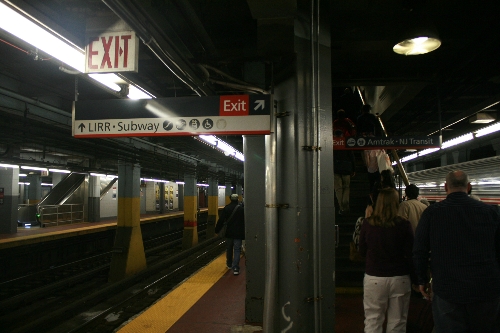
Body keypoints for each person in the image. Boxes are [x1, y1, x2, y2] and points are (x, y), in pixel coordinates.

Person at [413, 170, 500, 333]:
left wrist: (421, 279)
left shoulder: (432, 213)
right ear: (469, 187)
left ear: (446, 187)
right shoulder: (491, 212)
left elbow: (420, 249)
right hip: (486, 288)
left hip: (448, 289)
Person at [359, 188, 415, 333]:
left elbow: (361, 250)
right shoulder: (404, 225)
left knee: (373, 320)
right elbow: (411, 254)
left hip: (374, 277)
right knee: (397, 322)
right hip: (400, 277)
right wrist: (417, 278)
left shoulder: (367, 224)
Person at [333, 109, 356, 215]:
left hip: (336, 168)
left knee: (338, 188)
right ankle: (346, 205)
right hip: (347, 168)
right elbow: (351, 156)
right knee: (346, 187)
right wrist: (354, 168)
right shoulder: (346, 143)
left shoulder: (332, 144)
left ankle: (342, 208)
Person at [215, 194, 245, 275]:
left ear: (230, 199)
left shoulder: (226, 208)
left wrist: (217, 230)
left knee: (229, 248)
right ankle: (235, 267)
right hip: (238, 233)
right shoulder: (241, 209)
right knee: (237, 249)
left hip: (229, 233)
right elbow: (244, 222)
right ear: (237, 199)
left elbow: (221, 220)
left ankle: (229, 264)